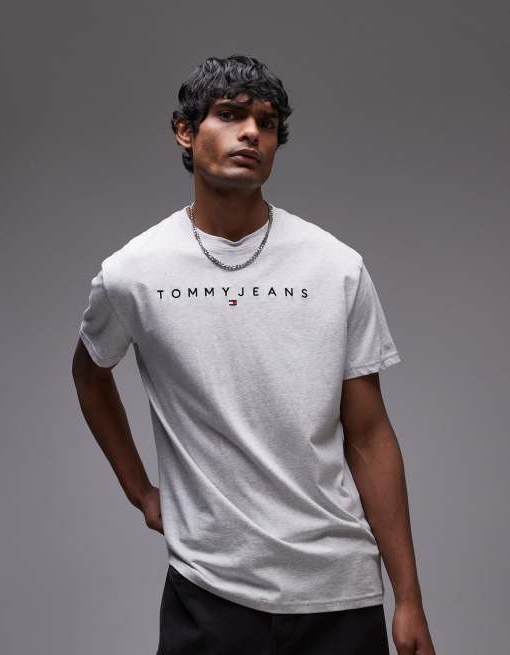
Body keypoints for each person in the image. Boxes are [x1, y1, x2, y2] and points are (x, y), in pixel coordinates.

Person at [72, 54, 436, 655]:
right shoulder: (132, 273)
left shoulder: (335, 266)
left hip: (339, 592)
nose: (251, 133)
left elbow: (370, 435)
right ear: (185, 131)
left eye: (266, 123)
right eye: (230, 115)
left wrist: (409, 598)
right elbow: (89, 375)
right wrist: (140, 491)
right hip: (209, 590)